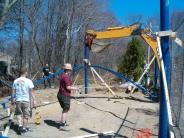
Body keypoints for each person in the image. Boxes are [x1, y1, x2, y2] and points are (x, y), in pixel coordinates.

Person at [11, 68, 36, 134]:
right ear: (25, 72)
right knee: (26, 115)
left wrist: (12, 99)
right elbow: (32, 92)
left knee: (19, 114)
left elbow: (13, 91)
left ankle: (20, 125)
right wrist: (34, 100)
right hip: (26, 100)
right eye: (27, 72)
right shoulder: (29, 81)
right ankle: (24, 128)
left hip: (18, 100)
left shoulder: (15, 81)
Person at [57, 63, 78, 130]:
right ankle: (62, 125)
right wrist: (76, 88)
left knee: (65, 109)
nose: (70, 71)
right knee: (65, 110)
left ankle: (64, 122)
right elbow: (68, 87)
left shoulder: (62, 75)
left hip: (60, 94)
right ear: (68, 70)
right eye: (70, 69)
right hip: (64, 95)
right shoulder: (66, 77)